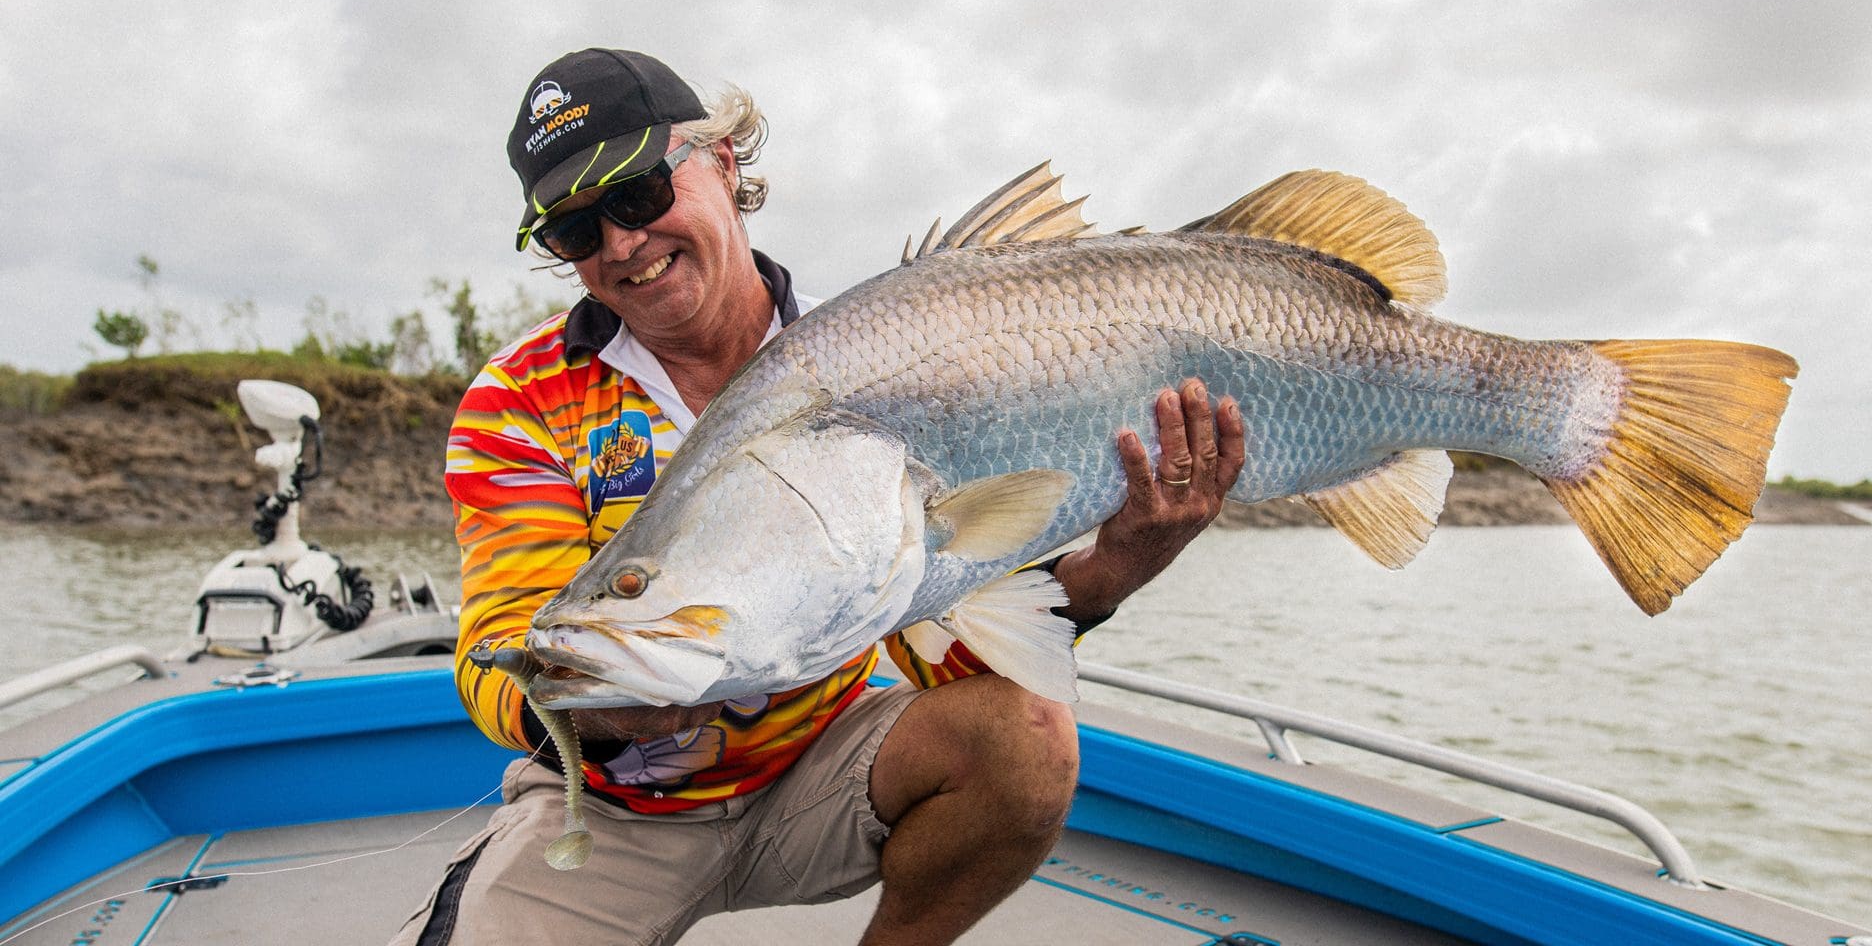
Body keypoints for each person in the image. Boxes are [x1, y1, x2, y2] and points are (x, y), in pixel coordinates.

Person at [390, 48, 1246, 946]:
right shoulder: (517, 403)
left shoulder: (884, 358)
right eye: (574, 229)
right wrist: (601, 706)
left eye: (638, 192)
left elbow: (945, 656)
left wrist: (1115, 568)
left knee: (1027, 736)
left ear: (722, 163)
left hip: (824, 771)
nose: (620, 244)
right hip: (608, 813)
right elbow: (502, 654)